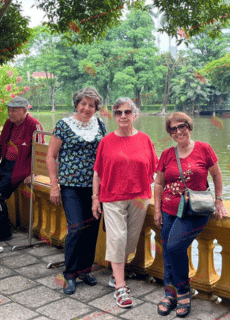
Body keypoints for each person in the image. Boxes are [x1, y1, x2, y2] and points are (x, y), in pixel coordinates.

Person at [154, 112, 227, 318]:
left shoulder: (204, 149)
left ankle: (184, 291)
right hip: (169, 209)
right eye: (173, 129)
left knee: (174, 247)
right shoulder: (167, 154)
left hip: (195, 210)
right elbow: (159, 183)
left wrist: (219, 200)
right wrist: (157, 209)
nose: (178, 131)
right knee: (168, 251)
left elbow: (217, 175)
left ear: (189, 126)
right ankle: (170, 293)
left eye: (182, 126)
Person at [92, 97, 158, 308]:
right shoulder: (106, 141)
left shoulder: (145, 139)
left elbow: (156, 170)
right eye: (118, 112)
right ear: (113, 115)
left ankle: (115, 275)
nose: (122, 116)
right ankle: (120, 286)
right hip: (112, 197)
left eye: (127, 112)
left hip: (139, 197)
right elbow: (97, 172)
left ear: (134, 115)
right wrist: (95, 198)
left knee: (130, 240)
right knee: (118, 238)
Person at [46, 87, 106, 295]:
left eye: (92, 105)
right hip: (70, 186)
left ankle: (84, 270)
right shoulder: (64, 125)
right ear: (77, 104)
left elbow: (106, 154)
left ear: (96, 108)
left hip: (95, 188)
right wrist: (54, 184)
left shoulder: (100, 125)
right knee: (76, 228)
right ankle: (69, 274)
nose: (87, 108)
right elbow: (51, 156)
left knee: (91, 229)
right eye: (84, 104)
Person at [0, 97, 43, 240]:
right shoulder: (9, 123)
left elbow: (40, 152)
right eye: (9, 110)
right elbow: (1, 144)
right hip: (5, 164)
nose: (10, 114)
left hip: (20, 169)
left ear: (24, 111)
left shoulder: (34, 125)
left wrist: (33, 173)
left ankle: (4, 233)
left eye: (14, 111)